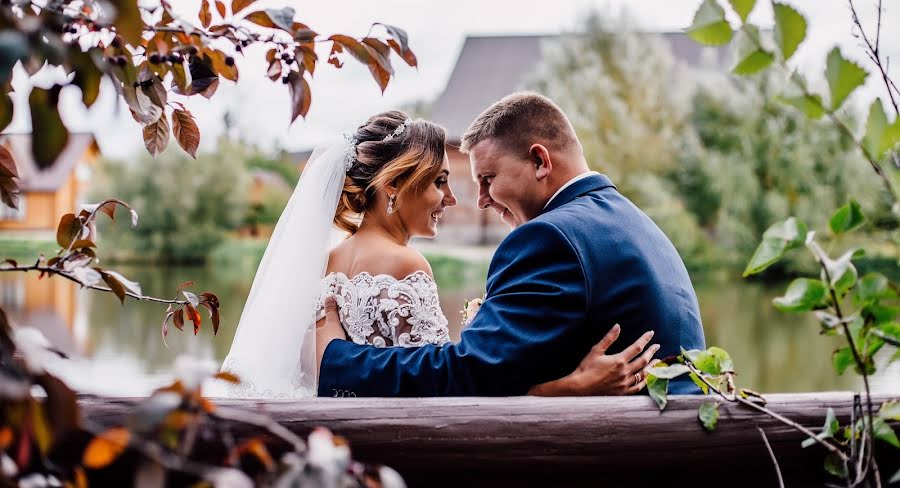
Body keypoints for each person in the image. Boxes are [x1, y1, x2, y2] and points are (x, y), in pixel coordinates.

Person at [220, 110, 655, 398]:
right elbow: (451, 390)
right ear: (393, 186)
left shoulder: (324, 263)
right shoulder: (407, 264)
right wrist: (571, 386)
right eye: (439, 182)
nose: (454, 199)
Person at [316, 93, 706, 397]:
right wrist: (564, 388)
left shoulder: (550, 237)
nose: (480, 199)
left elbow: (470, 372)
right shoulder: (631, 220)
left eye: (487, 179)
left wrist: (337, 360)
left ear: (540, 161)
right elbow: (507, 366)